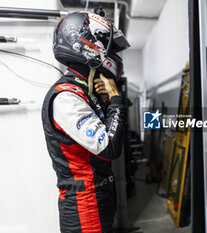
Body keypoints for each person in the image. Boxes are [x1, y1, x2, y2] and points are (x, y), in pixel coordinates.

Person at [42, 12, 130, 233]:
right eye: (109, 47)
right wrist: (116, 99)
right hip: (85, 207)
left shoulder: (81, 92)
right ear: (89, 44)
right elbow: (109, 146)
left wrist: (106, 100)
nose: (113, 54)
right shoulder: (66, 97)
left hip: (96, 199)